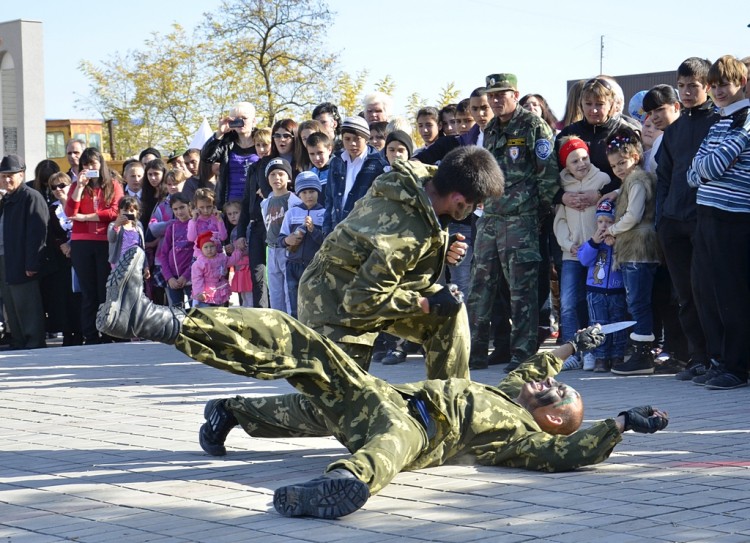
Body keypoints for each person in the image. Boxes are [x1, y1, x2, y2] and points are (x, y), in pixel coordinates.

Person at [95, 247, 670, 520]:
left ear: (549, 423)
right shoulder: (509, 393)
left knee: (387, 449)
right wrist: (577, 345)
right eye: (558, 389)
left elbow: (570, 453)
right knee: (307, 358)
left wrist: (617, 425)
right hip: (382, 398)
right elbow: (540, 366)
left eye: (560, 402)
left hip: (412, 428)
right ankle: (168, 335)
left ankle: (339, 487)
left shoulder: (521, 438)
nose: (555, 391)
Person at [299, 146, 504, 379]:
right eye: (476, 203)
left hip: (373, 281)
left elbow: (384, 243)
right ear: (458, 200)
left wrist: (437, 250)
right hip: (333, 299)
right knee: (346, 407)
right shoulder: (403, 234)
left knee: (449, 312)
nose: (477, 209)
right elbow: (361, 299)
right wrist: (425, 303)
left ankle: (449, 401)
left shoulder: (425, 183)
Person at [467, 73, 559, 372]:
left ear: (515, 94)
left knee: (523, 290)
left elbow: (547, 172)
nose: (495, 101)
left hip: (521, 220)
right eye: (491, 96)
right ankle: (476, 351)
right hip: (491, 218)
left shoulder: (533, 125)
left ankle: (522, 353)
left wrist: (539, 212)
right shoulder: (491, 128)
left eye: (501, 95)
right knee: (481, 288)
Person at [686, 55, 750, 390]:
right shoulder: (721, 123)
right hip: (707, 217)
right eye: (714, 85)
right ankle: (721, 360)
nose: (718, 90)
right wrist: (719, 158)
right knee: (708, 294)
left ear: (742, 83)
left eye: (725, 83)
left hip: (735, 219)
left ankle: (737, 367)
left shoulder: (746, 121)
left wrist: (736, 143)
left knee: (732, 296)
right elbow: (694, 173)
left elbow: (710, 168)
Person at [654, 58, 719, 381]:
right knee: (684, 296)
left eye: (693, 86)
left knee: (709, 291)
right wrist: (661, 223)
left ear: (708, 86)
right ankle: (697, 357)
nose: (687, 92)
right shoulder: (674, 130)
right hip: (674, 223)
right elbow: (663, 178)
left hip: (706, 221)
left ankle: (718, 359)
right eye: (681, 86)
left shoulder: (720, 122)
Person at [603, 130, 661, 375]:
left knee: (638, 302)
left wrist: (613, 230)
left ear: (636, 157)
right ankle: (641, 350)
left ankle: (643, 355)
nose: (618, 169)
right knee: (635, 300)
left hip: (638, 247)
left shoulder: (637, 181)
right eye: (614, 165)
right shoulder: (628, 181)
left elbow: (633, 215)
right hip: (631, 248)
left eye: (622, 163)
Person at [553, 137, 611, 370]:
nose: (581, 164)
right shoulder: (563, 187)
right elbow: (559, 221)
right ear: (566, 165)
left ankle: (592, 350)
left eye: (584, 158)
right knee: (568, 302)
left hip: (598, 253)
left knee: (593, 302)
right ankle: (571, 351)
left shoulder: (602, 180)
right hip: (572, 254)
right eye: (574, 160)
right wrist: (568, 244)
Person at [65, 147, 123, 344]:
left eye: (93, 164)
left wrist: (86, 217)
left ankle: (108, 332)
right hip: (82, 242)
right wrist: (80, 187)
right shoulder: (76, 186)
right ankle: (90, 334)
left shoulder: (113, 185)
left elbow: (116, 211)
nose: (90, 168)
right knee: (88, 291)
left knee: (104, 289)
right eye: (86, 164)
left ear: (101, 164)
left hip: (105, 241)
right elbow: (70, 211)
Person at [0, 154, 49, 350]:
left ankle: (34, 342)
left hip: (23, 261)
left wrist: (32, 263)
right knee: (11, 303)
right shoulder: (7, 199)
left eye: (12, 175)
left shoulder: (30, 196)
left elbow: (38, 233)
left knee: (27, 303)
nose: (7, 179)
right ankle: (19, 340)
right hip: (5, 258)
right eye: (3, 176)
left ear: (22, 175)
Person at [577, 200, 627, 372]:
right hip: (595, 292)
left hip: (616, 290)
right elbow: (584, 259)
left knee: (618, 323)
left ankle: (617, 356)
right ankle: (601, 357)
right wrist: (594, 243)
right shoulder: (591, 242)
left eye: (609, 221)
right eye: (600, 221)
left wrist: (617, 243)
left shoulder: (619, 240)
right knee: (598, 325)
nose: (603, 225)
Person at [322, 116, 387, 236]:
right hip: (337, 229)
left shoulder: (378, 164)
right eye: (347, 139)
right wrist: (326, 229)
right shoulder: (336, 161)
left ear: (366, 139)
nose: (352, 144)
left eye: (357, 139)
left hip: (364, 230)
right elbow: (329, 198)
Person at [278, 171, 325, 318]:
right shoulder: (291, 213)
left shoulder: (324, 213)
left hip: (314, 266)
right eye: (304, 192)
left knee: (313, 304)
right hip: (293, 265)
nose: (308, 196)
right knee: (294, 304)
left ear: (318, 192)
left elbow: (327, 242)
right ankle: (296, 334)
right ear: (299, 194)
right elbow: (280, 239)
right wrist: (288, 240)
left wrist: (313, 230)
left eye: (312, 191)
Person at [200, 101, 258, 211]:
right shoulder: (227, 142)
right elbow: (206, 157)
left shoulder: (262, 141)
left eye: (244, 118)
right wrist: (219, 133)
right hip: (231, 204)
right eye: (236, 119)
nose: (240, 122)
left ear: (254, 121)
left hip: (256, 200)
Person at [156, 192, 193, 309]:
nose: (179, 212)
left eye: (182, 207)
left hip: (191, 278)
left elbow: (198, 256)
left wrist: (186, 276)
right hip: (173, 279)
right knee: (177, 312)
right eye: (175, 209)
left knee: (195, 311)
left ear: (190, 206)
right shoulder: (171, 228)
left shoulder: (195, 225)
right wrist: (169, 277)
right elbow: (164, 254)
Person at [224, 200, 252, 307]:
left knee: (250, 297)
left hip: (248, 268)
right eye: (229, 214)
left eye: (236, 213)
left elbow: (250, 247)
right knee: (243, 298)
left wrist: (235, 247)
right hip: (238, 268)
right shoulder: (233, 231)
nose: (233, 216)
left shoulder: (248, 228)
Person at [191, 231, 231, 308]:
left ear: (216, 247)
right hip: (205, 295)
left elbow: (231, 261)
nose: (209, 249)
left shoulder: (222, 258)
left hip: (220, 291)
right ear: (201, 249)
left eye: (212, 246)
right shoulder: (199, 264)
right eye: (206, 247)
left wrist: (238, 251)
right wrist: (199, 293)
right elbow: (197, 280)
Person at [107, 195, 146, 270]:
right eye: (125, 210)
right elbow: (111, 239)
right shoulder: (113, 225)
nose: (128, 213)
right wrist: (116, 226)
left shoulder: (138, 226)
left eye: (131, 211)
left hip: (135, 265)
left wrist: (145, 265)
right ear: (119, 211)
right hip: (119, 264)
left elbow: (142, 247)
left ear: (136, 212)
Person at [187, 188, 227, 260]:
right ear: (196, 207)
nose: (205, 210)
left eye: (209, 207)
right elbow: (191, 238)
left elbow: (223, 237)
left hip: (217, 255)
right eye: (201, 207)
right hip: (200, 257)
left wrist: (219, 220)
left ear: (214, 206)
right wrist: (194, 220)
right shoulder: (193, 221)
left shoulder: (217, 219)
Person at [305, 131, 333, 207]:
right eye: (312, 154)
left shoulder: (337, 170)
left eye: (320, 153)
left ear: (329, 150)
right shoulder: (310, 174)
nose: (316, 158)